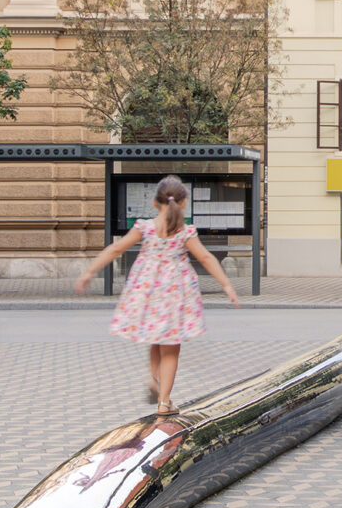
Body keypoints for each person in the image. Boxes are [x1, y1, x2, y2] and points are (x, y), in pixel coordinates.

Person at [76, 175, 240, 416]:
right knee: (170, 348)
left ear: (155, 203)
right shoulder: (185, 232)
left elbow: (115, 248)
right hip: (175, 292)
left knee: (156, 337)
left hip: (148, 292)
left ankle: (153, 379)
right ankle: (164, 401)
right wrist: (226, 284)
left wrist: (90, 271)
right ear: (183, 203)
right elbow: (205, 257)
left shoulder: (145, 227)